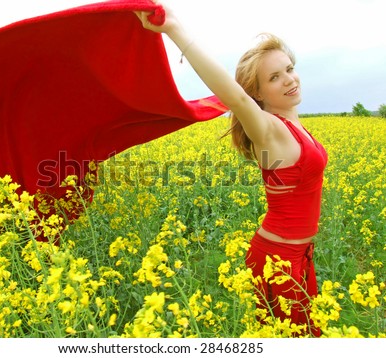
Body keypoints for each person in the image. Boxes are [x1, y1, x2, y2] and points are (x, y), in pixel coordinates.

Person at [136, 1, 327, 337]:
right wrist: (174, 28)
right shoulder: (270, 130)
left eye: (289, 68)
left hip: (299, 255)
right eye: (274, 77)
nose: (289, 80)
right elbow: (235, 99)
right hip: (278, 259)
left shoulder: (294, 125)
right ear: (257, 92)